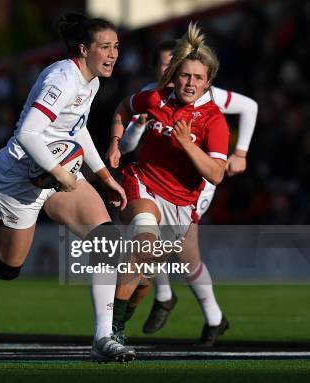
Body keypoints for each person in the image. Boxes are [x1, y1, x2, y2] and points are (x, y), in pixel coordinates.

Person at [0, 13, 135, 363]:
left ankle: (102, 337)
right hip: (15, 180)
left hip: (53, 172)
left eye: (116, 47)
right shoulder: (63, 79)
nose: (112, 54)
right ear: (83, 49)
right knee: (6, 266)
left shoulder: (90, 81)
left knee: (106, 239)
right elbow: (29, 133)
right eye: (104, 47)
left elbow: (76, 129)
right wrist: (59, 172)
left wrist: (105, 177)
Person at [117, 40, 258, 346]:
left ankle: (202, 312)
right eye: (172, 69)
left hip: (195, 185)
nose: (186, 80)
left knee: (185, 256)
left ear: (206, 79)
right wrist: (133, 131)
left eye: (194, 75)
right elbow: (126, 145)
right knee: (149, 243)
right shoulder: (154, 94)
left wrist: (242, 152)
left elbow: (249, 107)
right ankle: (151, 307)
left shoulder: (210, 102)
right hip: (149, 181)